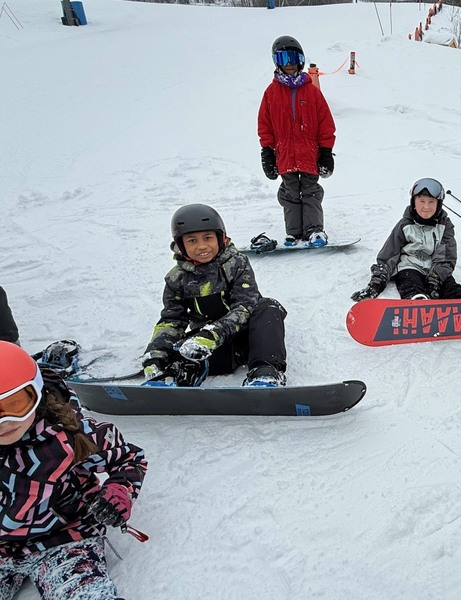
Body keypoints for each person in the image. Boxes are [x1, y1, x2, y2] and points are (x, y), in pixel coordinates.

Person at [0, 341, 147, 598]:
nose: (5, 422)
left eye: (16, 405)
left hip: (63, 537)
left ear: (37, 393)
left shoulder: (68, 435)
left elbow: (129, 458)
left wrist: (118, 492)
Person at [142, 204, 288, 387]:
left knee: (268, 307)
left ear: (221, 237)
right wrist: (156, 354)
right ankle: (173, 376)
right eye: (192, 241)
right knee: (181, 351)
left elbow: (245, 306)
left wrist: (213, 334)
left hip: (249, 337)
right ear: (180, 245)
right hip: (212, 347)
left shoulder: (237, 264)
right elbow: (172, 320)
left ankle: (265, 372)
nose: (202, 246)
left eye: (208, 238)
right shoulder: (176, 279)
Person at [258, 35, 336, 248]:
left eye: (293, 58)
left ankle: (314, 230)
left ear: (300, 60)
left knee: (311, 190)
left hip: (310, 154)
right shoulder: (271, 93)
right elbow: (265, 126)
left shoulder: (311, 92)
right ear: (276, 62)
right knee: (290, 192)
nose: (289, 64)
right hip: (284, 155)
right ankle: (294, 232)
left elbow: (326, 124)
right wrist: (267, 152)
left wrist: (326, 152)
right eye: (283, 59)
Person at [351, 178, 461, 302]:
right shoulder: (405, 225)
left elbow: (446, 255)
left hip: (434, 268)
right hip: (409, 266)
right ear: (414, 202)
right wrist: (377, 281)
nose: (426, 207)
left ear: (439, 204)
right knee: (409, 282)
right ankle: (416, 301)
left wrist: (436, 277)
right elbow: (389, 254)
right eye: (422, 201)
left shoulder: (444, 226)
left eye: (431, 202)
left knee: (449, 285)